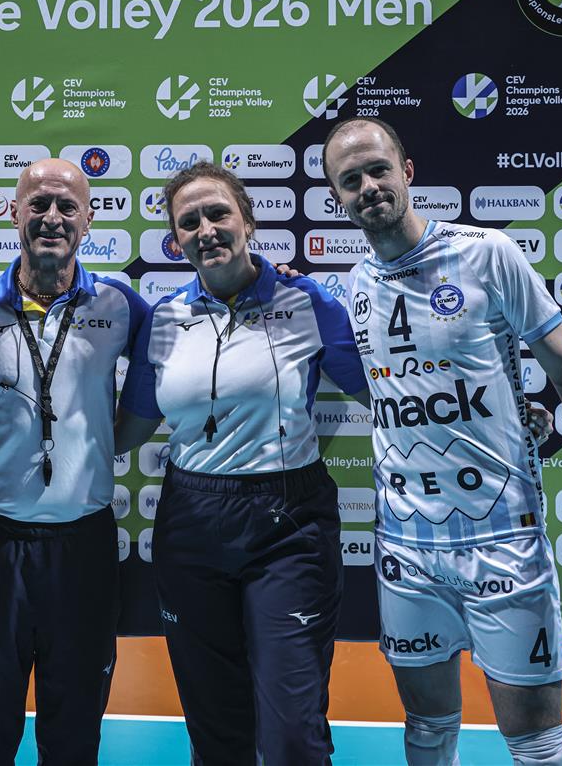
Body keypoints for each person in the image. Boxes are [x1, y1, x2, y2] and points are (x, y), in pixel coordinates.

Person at [322, 117, 562, 766]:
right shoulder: (350, 288)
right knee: (426, 727)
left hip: (503, 540)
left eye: (379, 170)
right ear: (339, 198)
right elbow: (388, 390)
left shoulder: (486, 253)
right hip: (406, 548)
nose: (369, 187)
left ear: (406, 172)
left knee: (535, 740)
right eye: (350, 180)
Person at [114, 161, 369, 764]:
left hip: (289, 524)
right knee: (215, 724)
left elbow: (382, 391)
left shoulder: (309, 302)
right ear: (175, 240)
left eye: (218, 213)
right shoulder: (163, 321)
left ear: (247, 221)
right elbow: (127, 431)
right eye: (189, 222)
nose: (205, 230)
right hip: (191, 522)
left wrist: (492, 413)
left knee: (292, 729)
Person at [0, 158, 149, 765]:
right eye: (38, 204)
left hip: (84, 546)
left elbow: (164, 377)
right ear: (13, 214)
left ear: (89, 220)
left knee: (74, 733)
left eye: (67, 206)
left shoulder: (122, 306)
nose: (52, 217)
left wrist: (107, 439)